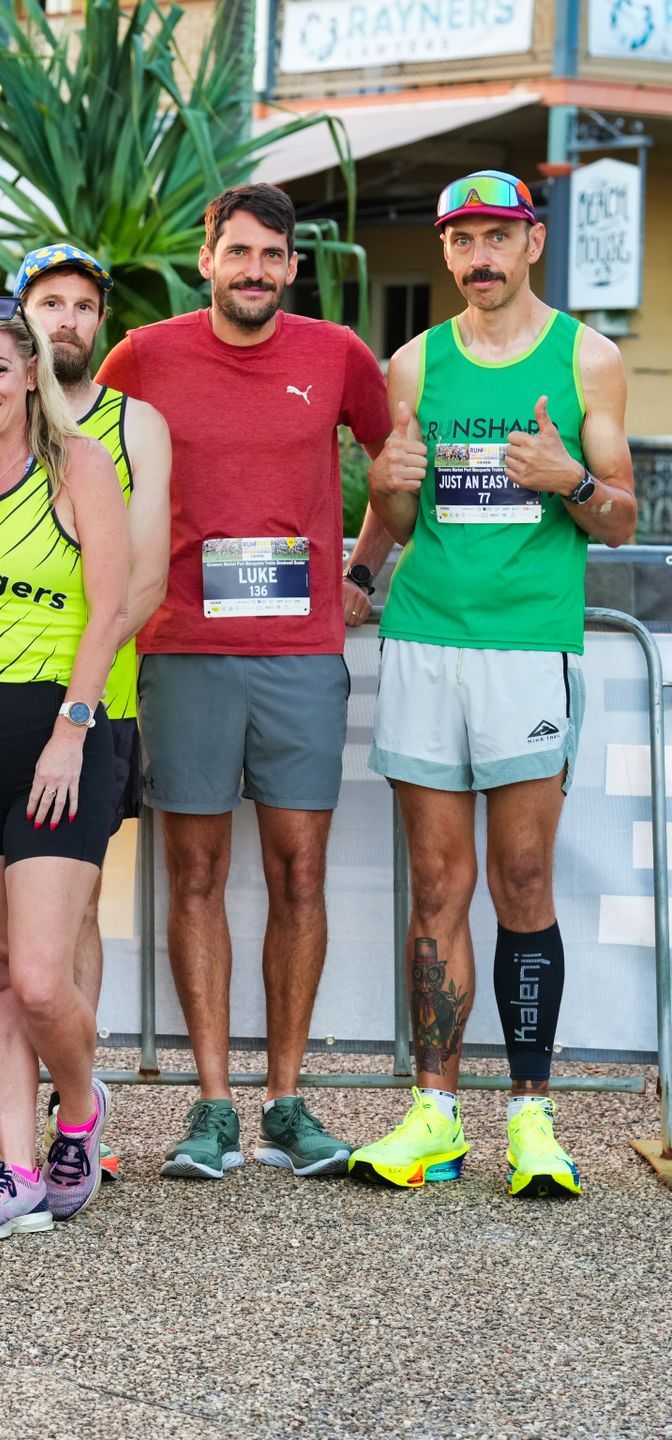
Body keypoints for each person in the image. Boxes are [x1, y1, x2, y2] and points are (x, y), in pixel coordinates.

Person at [348, 171, 635, 1196]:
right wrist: (363, 557)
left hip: (528, 647)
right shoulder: (415, 362)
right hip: (426, 639)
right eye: (462, 237)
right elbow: (398, 503)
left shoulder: (588, 360)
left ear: (532, 244)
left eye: (498, 236)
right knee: (437, 886)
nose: (480, 254)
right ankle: (434, 1113)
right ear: (445, 251)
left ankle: (529, 1116)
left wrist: (576, 485)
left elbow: (622, 520)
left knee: (521, 882)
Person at [96, 183, 390, 1182]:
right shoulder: (144, 356)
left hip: (302, 651)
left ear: (292, 268)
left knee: (300, 872)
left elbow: (397, 460)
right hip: (181, 646)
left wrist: (361, 569)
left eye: (273, 255)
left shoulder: (337, 356)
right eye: (239, 253)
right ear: (207, 257)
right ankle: (214, 1106)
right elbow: (88, 467)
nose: (255, 271)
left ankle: (289, 1103)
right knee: (195, 874)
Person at [0, 244, 170, 1182]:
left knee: (39, 976)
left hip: (60, 739)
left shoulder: (81, 466)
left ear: (29, 374)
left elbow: (111, 607)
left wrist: (73, 728)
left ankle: (81, 1105)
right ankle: (15, 1172)